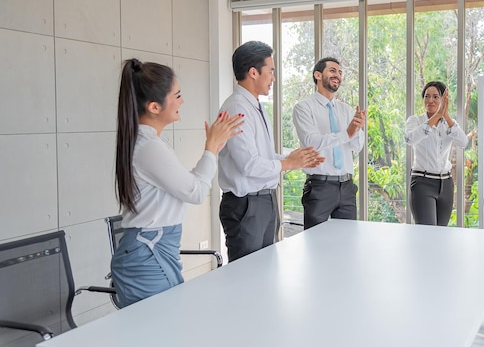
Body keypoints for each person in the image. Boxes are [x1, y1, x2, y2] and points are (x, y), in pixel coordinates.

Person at [111, 58, 243, 308]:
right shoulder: (149, 147)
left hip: (154, 250)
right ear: (154, 107)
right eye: (177, 95)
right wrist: (211, 149)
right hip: (147, 254)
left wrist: (213, 149)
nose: (182, 101)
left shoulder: (149, 143)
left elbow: (187, 185)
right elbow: (194, 192)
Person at [218, 41, 324, 261]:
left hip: (264, 201)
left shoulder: (255, 105)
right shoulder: (237, 107)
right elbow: (248, 165)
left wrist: (294, 158)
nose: (274, 78)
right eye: (271, 71)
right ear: (253, 72)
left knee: (265, 271)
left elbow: (262, 157)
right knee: (248, 276)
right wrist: (289, 164)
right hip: (246, 205)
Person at [292, 57, 366, 229]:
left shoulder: (347, 110)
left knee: (347, 243)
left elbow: (356, 147)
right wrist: (346, 133)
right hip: (319, 187)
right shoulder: (304, 107)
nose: (338, 75)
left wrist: (356, 130)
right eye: (332, 70)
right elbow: (311, 141)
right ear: (317, 75)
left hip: (347, 187)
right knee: (315, 245)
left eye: (340, 72)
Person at [404, 81, 468, 226]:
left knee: (441, 233)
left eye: (435, 97)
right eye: (427, 96)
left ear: (443, 100)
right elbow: (409, 139)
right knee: (428, 234)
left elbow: (463, 142)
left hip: (446, 184)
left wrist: (445, 117)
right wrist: (436, 116)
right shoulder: (415, 120)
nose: (430, 100)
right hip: (422, 182)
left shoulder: (449, 124)